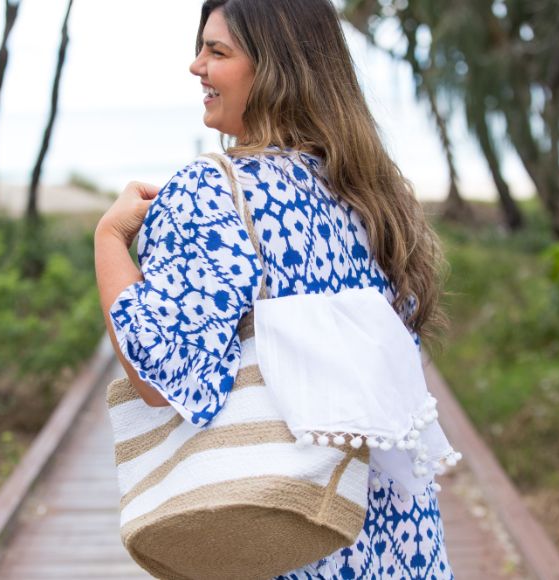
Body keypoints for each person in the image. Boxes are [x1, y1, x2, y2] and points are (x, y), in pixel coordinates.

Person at [94, 0, 454, 577]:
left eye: (218, 52)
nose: (196, 67)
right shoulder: (375, 199)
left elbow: (162, 378)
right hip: (396, 540)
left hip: (285, 534)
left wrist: (109, 240)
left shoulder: (210, 191)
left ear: (276, 69)